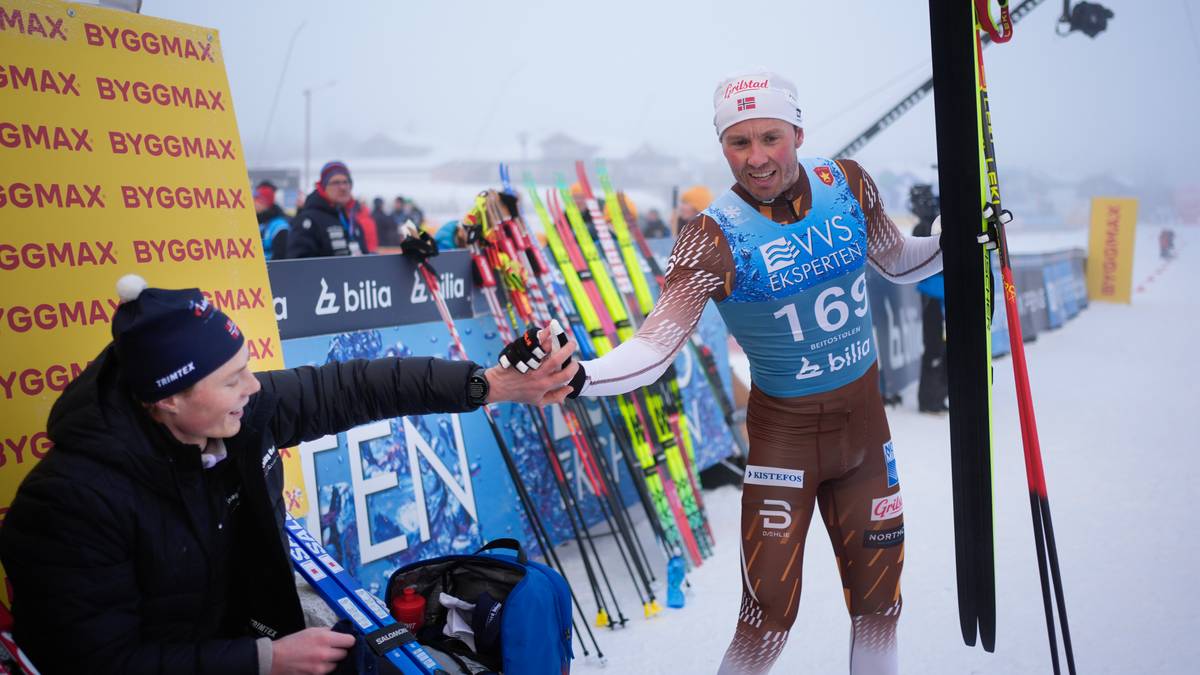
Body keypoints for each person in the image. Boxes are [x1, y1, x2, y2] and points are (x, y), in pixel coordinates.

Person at [503, 71, 942, 674]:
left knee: (879, 606)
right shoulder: (711, 237)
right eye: (739, 142)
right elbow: (655, 348)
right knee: (766, 619)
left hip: (867, 440)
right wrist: (582, 376)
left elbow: (896, 262)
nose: (757, 157)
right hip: (786, 446)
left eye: (770, 137)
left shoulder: (846, 182)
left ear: (798, 133)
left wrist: (953, 240)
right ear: (723, 147)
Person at [0, 275, 577, 675]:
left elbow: (356, 387)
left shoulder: (239, 413)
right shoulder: (68, 504)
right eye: (232, 380)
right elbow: (95, 663)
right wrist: (265, 661)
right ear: (168, 400)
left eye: (246, 369)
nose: (252, 388)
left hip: (253, 631)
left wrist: (487, 385)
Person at [910, 184, 949, 413]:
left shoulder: (934, 224)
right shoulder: (923, 228)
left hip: (938, 295)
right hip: (933, 298)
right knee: (934, 347)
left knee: (941, 348)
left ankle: (939, 396)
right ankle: (929, 400)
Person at [286, 161, 369, 258]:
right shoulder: (308, 220)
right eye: (335, 183)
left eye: (346, 182)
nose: (343, 187)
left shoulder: (351, 221)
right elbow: (298, 262)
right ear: (323, 187)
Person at [253, 181, 290, 261]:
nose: (253, 203)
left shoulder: (280, 227)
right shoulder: (256, 222)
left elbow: (280, 260)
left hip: (271, 268)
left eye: (257, 200)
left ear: (265, 202)